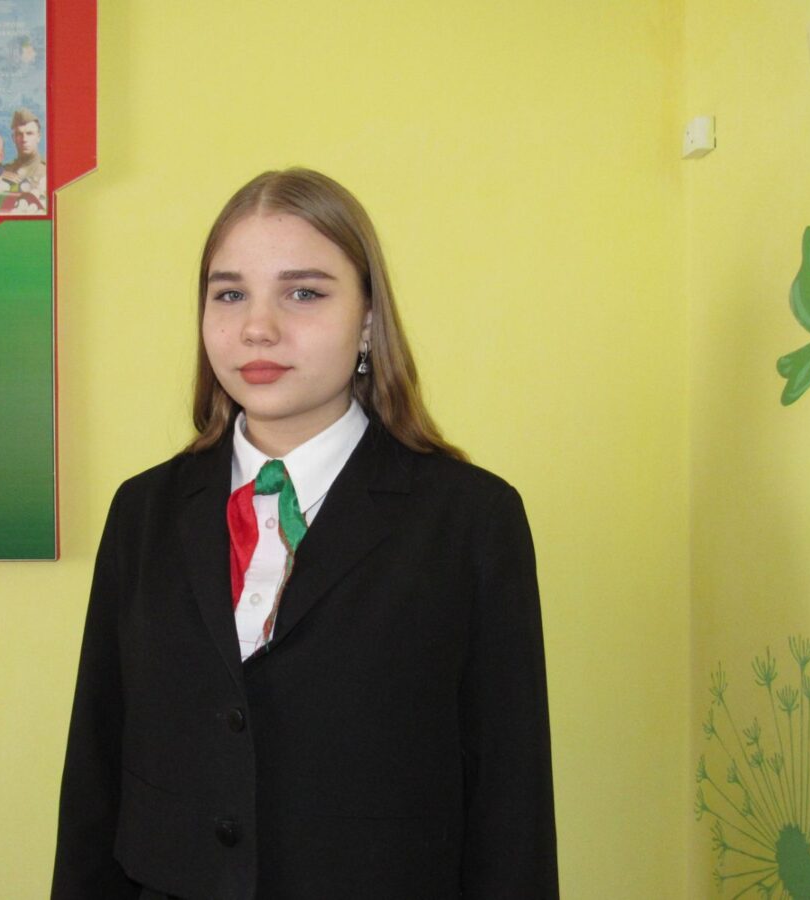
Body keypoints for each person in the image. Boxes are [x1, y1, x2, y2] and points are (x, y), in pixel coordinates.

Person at [51, 168, 558, 899]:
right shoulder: (145, 511)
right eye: (230, 294)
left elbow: (511, 795)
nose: (258, 327)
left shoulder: (470, 520)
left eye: (304, 293)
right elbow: (96, 767)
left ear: (368, 320)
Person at [1, 108, 46, 186]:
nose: (24, 139)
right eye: (19, 134)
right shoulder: (4, 171)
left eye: (29, 133)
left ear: (38, 137)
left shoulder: (48, 170)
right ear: (13, 138)